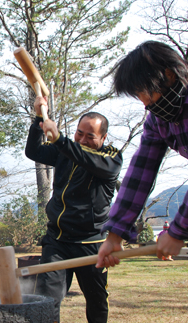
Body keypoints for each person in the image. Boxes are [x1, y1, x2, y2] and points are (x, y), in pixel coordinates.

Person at [95, 40, 188, 322]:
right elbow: (140, 172)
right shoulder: (160, 120)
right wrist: (114, 234)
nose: (144, 102)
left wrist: (179, 231)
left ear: (168, 75)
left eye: (144, 92)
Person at [26, 95, 122, 323]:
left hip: (92, 244)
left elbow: (86, 158)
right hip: (57, 240)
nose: (82, 139)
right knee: (46, 299)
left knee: (97, 300)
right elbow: (34, 152)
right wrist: (39, 119)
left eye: (90, 136)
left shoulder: (111, 157)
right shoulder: (65, 150)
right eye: (79, 133)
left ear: (103, 137)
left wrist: (60, 139)